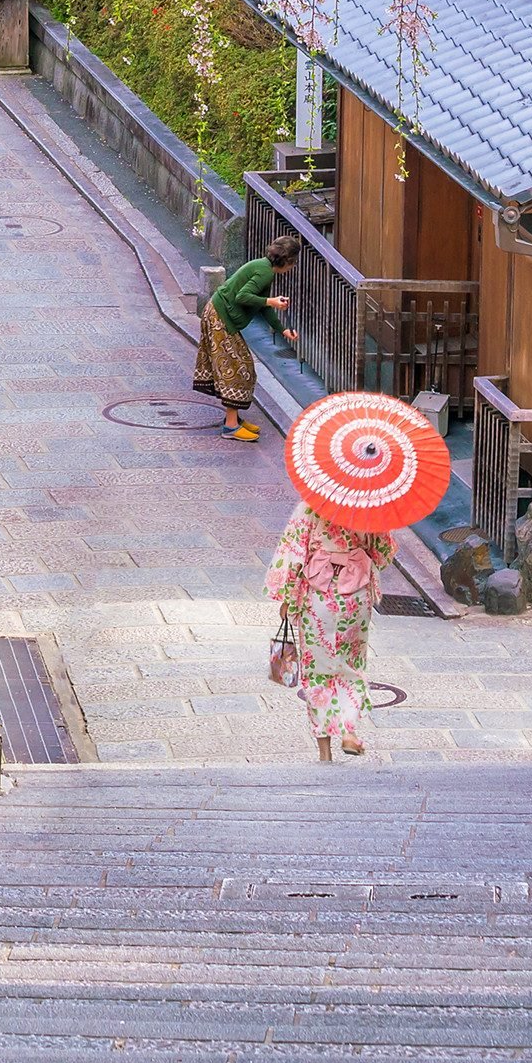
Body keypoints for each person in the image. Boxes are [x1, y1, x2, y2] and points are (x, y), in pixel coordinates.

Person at [266, 501, 391, 760]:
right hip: (355, 595)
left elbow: (293, 551)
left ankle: (325, 753)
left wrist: (288, 598)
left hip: (318, 594)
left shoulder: (312, 504)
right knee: (351, 665)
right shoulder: (370, 503)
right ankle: (348, 730)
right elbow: (383, 551)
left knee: (317, 672)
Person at [194, 232, 296, 441]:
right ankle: (231, 426)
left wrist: (282, 329)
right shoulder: (265, 272)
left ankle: (234, 420)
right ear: (288, 261)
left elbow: (260, 302)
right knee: (239, 368)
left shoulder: (264, 268)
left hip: (220, 315)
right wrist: (271, 301)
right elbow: (244, 297)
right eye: (294, 263)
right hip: (220, 318)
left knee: (240, 366)